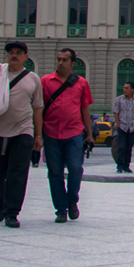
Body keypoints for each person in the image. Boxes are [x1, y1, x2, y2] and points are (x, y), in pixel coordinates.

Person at [0, 41, 44, 228]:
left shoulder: (33, 79)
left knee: (18, 172)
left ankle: (12, 212)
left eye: (18, 52)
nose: (14, 55)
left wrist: (38, 135)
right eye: (11, 53)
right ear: (7, 56)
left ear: (26, 56)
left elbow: (38, 108)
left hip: (23, 130)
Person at [40, 48, 93, 224]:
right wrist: (37, 135)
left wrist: (89, 133)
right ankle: (61, 209)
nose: (60, 63)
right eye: (59, 59)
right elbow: (38, 109)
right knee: (54, 172)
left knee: (75, 168)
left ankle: (72, 200)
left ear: (73, 63)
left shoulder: (81, 83)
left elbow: (84, 108)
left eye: (64, 60)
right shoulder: (45, 82)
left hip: (74, 132)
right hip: (51, 133)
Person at [112, 82, 134, 174]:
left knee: (129, 147)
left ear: (132, 90)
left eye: (127, 88)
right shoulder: (119, 99)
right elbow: (116, 112)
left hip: (133, 126)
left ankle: (127, 165)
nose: (124, 90)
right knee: (122, 146)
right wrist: (118, 123)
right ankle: (120, 165)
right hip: (122, 126)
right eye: (124, 88)